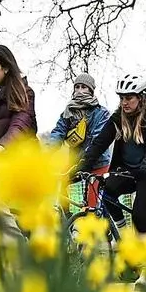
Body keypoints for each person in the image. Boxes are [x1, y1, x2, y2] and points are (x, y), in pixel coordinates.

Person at [79, 74, 146, 233]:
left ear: (140, 97)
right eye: (121, 98)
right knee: (107, 194)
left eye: (129, 98)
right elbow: (99, 143)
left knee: (139, 216)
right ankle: (124, 236)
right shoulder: (119, 117)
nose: (124, 102)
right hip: (129, 172)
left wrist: (145, 168)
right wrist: (83, 166)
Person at [48, 73, 112, 207]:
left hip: (98, 163)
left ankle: (100, 225)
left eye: (84, 87)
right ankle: (67, 218)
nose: (79, 91)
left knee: (92, 204)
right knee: (59, 184)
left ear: (91, 90)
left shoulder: (102, 113)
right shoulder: (68, 112)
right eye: (77, 87)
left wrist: (84, 161)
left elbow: (98, 140)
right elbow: (58, 133)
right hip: (75, 162)